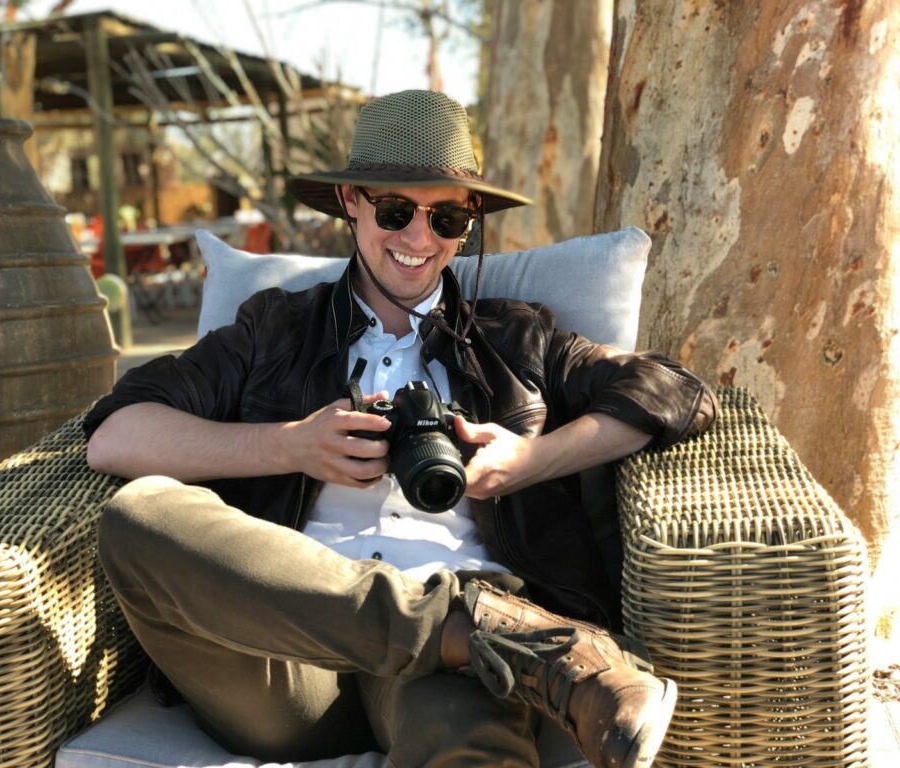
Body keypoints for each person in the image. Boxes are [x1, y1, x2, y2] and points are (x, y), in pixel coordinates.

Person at [85, 90, 717, 768]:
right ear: (351, 201)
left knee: (472, 734)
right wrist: (290, 445)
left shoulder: (516, 338)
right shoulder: (274, 330)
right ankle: (493, 635)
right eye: (394, 210)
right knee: (140, 515)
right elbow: (114, 434)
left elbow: (680, 392)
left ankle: (483, 634)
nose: (419, 240)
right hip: (286, 658)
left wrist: (531, 460)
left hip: (455, 658)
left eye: (444, 216)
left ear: (469, 220)